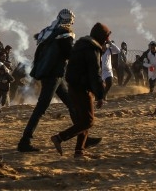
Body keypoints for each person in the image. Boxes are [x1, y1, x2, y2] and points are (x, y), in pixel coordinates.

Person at [17, 8, 77, 152]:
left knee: (72, 104)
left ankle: (83, 135)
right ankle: (24, 141)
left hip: (52, 75)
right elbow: (69, 54)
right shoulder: (65, 35)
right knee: (41, 108)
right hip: (54, 75)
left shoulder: (48, 33)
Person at [50, 22, 110, 159]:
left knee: (82, 120)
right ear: (101, 37)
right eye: (106, 37)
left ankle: (79, 151)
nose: (107, 40)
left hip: (73, 87)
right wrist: (100, 95)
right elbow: (94, 74)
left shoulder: (80, 45)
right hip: (82, 89)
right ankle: (59, 138)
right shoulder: (92, 49)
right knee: (88, 121)